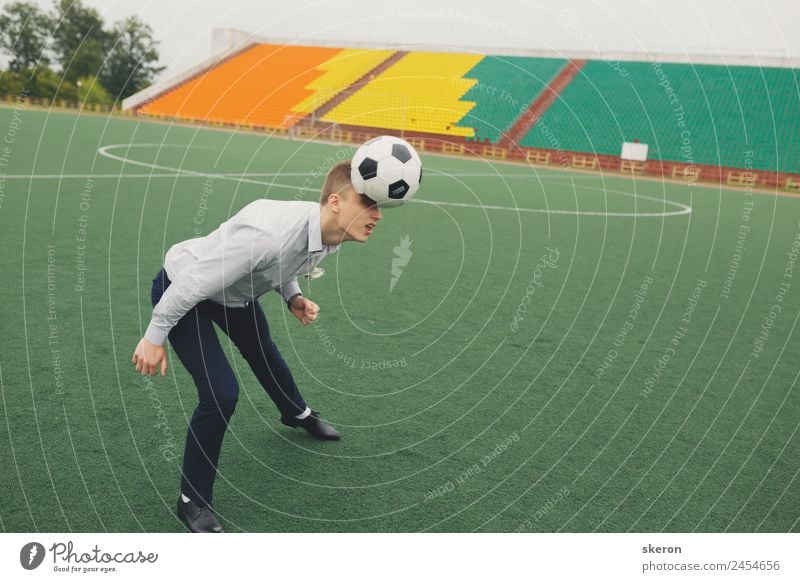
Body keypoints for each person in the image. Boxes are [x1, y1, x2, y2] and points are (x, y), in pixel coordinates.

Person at [131, 161, 383, 533]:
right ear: (334, 202)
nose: (377, 215)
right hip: (183, 286)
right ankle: (192, 500)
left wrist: (293, 296)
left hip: (232, 292)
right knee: (221, 394)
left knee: (263, 351)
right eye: (368, 203)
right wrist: (154, 337)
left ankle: (296, 413)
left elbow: (285, 265)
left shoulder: (330, 233)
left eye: (378, 206)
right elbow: (194, 284)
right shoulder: (267, 238)